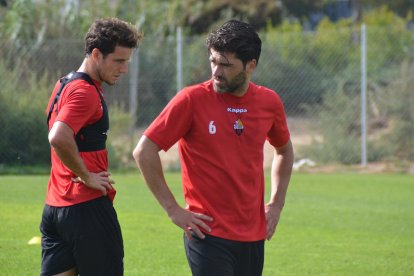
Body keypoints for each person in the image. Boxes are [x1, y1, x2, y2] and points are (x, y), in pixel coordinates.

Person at [133, 19, 294, 276]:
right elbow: (144, 150)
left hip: (253, 235)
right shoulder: (191, 99)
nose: (216, 71)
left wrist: (276, 204)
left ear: (250, 66)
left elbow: (284, 151)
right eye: (213, 61)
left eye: (226, 65)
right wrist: (173, 210)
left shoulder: (269, 102)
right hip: (207, 233)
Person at [40, 18, 142, 276]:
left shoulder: (64, 84)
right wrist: (87, 176)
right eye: (119, 61)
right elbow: (58, 137)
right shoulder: (85, 93)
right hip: (86, 210)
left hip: (55, 208)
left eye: (127, 61)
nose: (124, 69)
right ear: (96, 54)